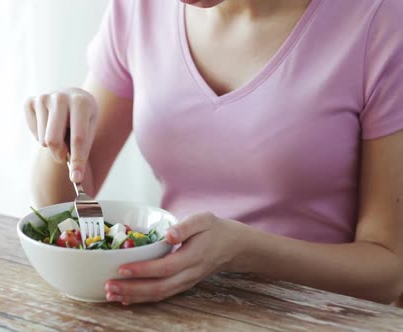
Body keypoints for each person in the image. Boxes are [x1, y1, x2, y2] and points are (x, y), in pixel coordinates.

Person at [23, 0, 403, 305]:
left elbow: (390, 271)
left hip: (317, 313)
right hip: (174, 307)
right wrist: (59, 133)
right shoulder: (139, 9)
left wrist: (245, 250)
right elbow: (60, 205)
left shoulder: (380, 21)